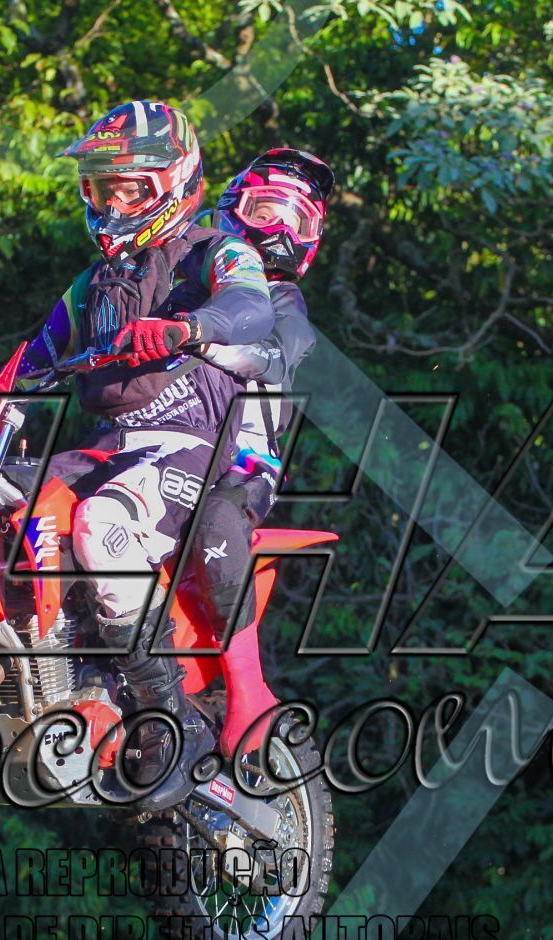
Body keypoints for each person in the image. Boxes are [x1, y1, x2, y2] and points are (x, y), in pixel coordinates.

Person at [0, 100, 276, 811]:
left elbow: (253, 307)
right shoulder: (92, 287)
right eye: (102, 189)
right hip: (112, 449)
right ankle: (44, 665)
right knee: (3, 499)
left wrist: (188, 327)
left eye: (130, 188)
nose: (114, 205)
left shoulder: (214, 250)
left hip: (190, 446)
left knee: (101, 523)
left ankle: (170, 724)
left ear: (174, 182)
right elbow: (28, 365)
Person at [186, 147, 334, 645]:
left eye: (298, 222)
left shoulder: (283, 298)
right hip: (161, 439)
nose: (281, 231)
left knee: (217, 521)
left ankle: (246, 679)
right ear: (234, 210)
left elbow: (276, 355)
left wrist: (199, 339)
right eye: (265, 211)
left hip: (243, 461)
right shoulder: (184, 280)